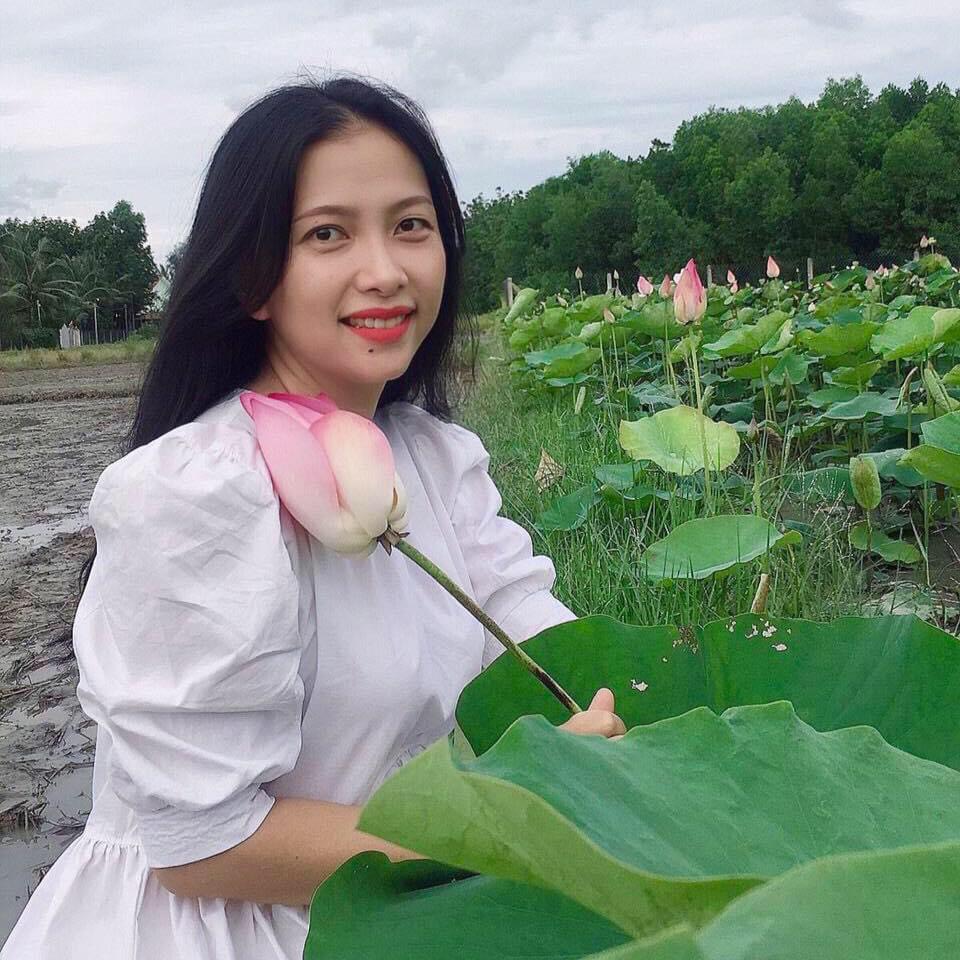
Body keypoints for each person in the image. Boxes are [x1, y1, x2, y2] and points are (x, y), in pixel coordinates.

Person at [1, 74, 626, 960]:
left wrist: (627, 732)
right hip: (229, 927)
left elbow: (546, 642)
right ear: (252, 278)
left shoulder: (434, 460)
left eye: (411, 226)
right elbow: (203, 849)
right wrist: (509, 819)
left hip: (402, 900)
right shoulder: (195, 493)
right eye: (327, 234)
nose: (386, 271)